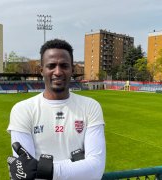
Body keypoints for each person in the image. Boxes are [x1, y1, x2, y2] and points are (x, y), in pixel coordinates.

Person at [7, 39, 106, 180]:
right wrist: (77, 166)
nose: (58, 72)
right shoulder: (22, 110)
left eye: (64, 66)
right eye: (51, 66)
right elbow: (25, 172)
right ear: (42, 70)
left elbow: (95, 169)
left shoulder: (91, 106)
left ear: (72, 69)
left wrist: (43, 170)